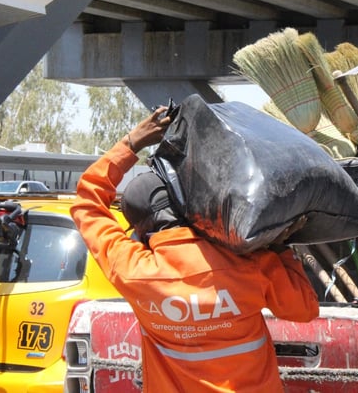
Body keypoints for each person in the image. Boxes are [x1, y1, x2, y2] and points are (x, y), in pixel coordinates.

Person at [70, 106, 319, 393]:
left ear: (140, 230)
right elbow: (304, 310)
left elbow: (88, 203)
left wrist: (130, 143)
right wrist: (279, 249)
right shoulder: (248, 263)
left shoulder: (133, 272)